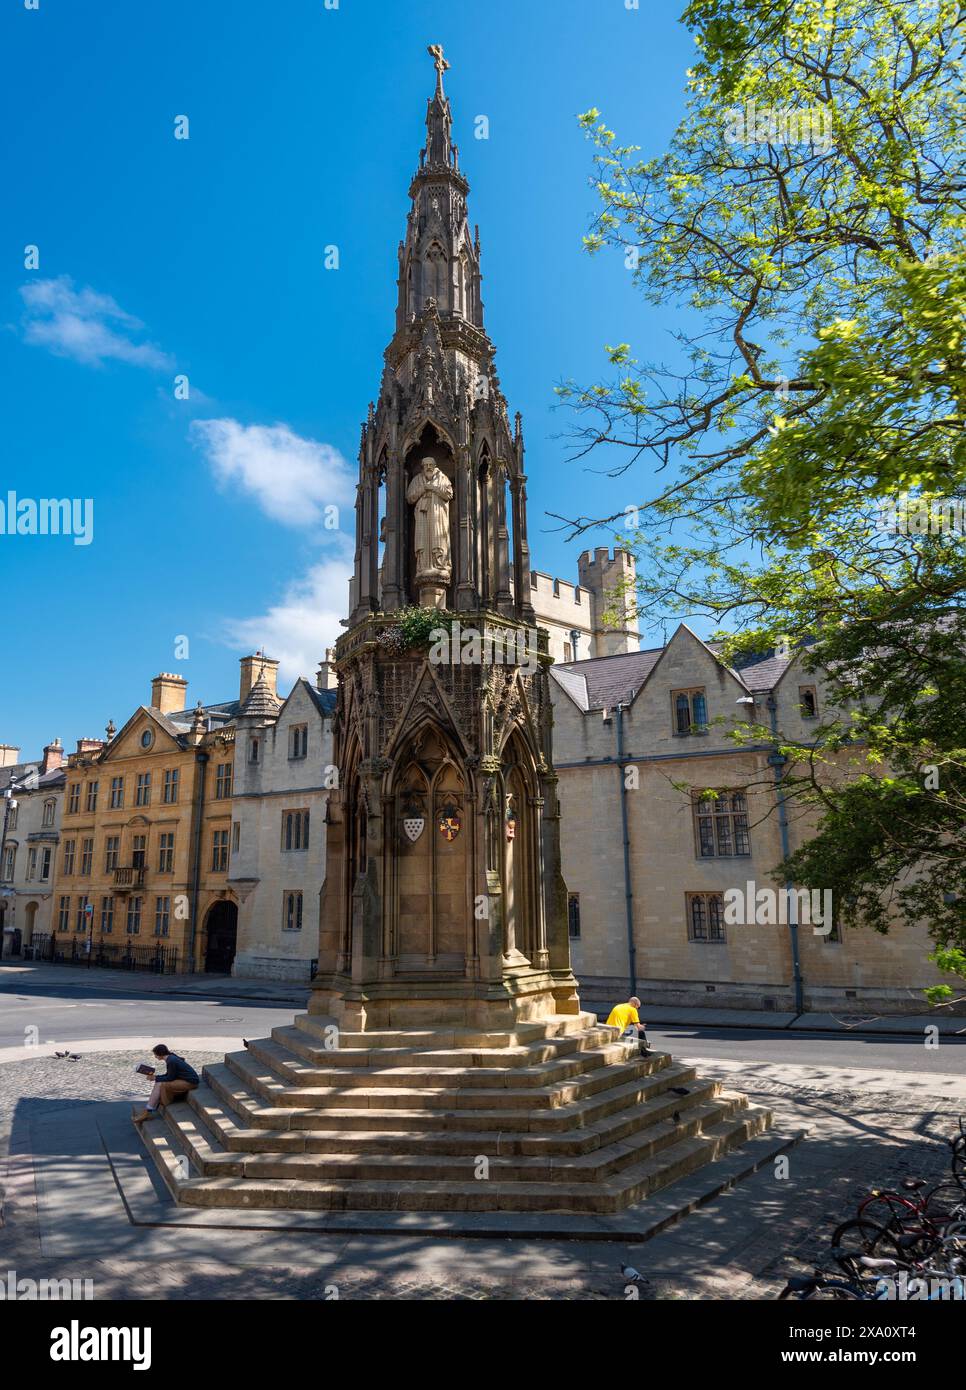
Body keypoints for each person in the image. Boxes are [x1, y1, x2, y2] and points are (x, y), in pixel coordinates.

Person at [132, 1044, 199, 1123]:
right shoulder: (171, 1058)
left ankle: (148, 1111)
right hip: (185, 1079)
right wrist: (156, 1077)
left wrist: (155, 1078)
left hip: (190, 1082)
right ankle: (148, 1110)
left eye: (155, 1054)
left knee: (161, 1084)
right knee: (159, 1083)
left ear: (160, 1054)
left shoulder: (171, 1061)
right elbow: (169, 1075)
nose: (155, 1057)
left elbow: (170, 1078)